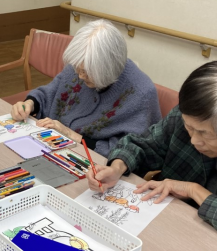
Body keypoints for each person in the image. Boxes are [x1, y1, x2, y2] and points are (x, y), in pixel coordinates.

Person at [87, 60, 217, 251]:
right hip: (169, 228)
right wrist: (117, 167)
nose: (194, 140)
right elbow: (143, 144)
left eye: (205, 134)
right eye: (189, 127)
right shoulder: (193, 115)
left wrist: (193, 191)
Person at [11, 20, 161, 157]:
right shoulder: (81, 64)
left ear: (107, 69)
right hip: (50, 145)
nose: (80, 76)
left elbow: (131, 152)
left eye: (86, 72)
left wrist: (71, 135)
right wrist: (29, 104)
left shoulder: (141, 94)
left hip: (93, 162)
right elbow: (49, 93)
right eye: (77, 68)